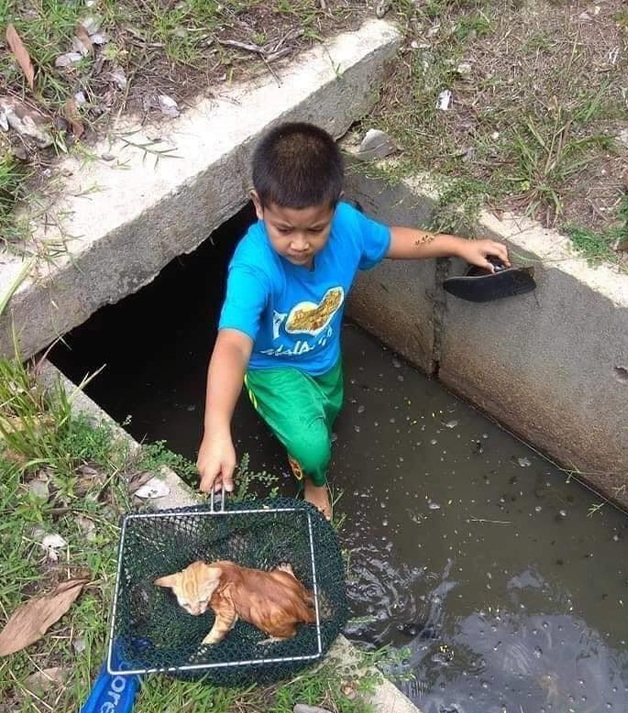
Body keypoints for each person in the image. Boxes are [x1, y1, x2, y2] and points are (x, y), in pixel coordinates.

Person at [197, 122, 509, 520]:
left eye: (315, 229)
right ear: (258, 206)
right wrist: (216, 428)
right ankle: (313, 481)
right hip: (271, 366)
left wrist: (459, 244)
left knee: (329, 413)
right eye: (283, 229)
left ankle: (306, 440)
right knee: (313, 447)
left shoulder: (347, 226)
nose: (299, 243)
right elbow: (233, 343)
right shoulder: (253, 266)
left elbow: (393, 240)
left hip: (324, 358)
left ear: (335, 206)